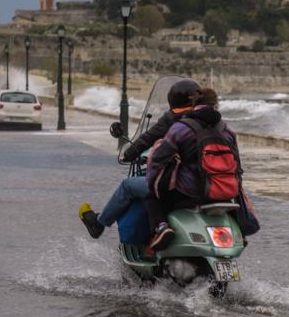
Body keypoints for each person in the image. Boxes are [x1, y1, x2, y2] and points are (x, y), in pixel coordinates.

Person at [78, 78, 203, 240]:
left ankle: (99, 224)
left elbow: (147, 139)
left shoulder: (173, 120)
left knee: (129, 186)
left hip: (180, 185)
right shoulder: (211, 120)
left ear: (173, 100)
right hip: (211, 186)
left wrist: (128, 154)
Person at [142, 87, 240, 253]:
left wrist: (152, 182)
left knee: (151, 196)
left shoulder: (183, 128)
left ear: (193, 104)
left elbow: (158, 159)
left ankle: (162, 228)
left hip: (191, 192)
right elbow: (237, 166)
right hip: (225, 191)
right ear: (216, 105)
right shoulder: (228, 131)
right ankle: (240, 234)